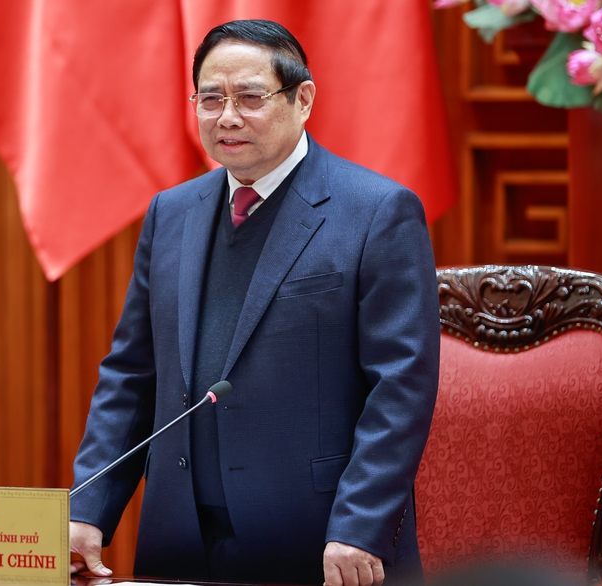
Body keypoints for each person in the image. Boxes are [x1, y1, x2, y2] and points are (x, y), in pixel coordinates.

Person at [69, 19, 440, 586]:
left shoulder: (377, 211)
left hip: (321, 541)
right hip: (180, 538)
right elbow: (131, 374)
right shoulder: (171, 212)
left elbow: (402, 387)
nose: (227, 117)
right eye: (210, 99)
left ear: (302, 99)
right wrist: (88, 506)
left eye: (249, 97)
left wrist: (361, 525)